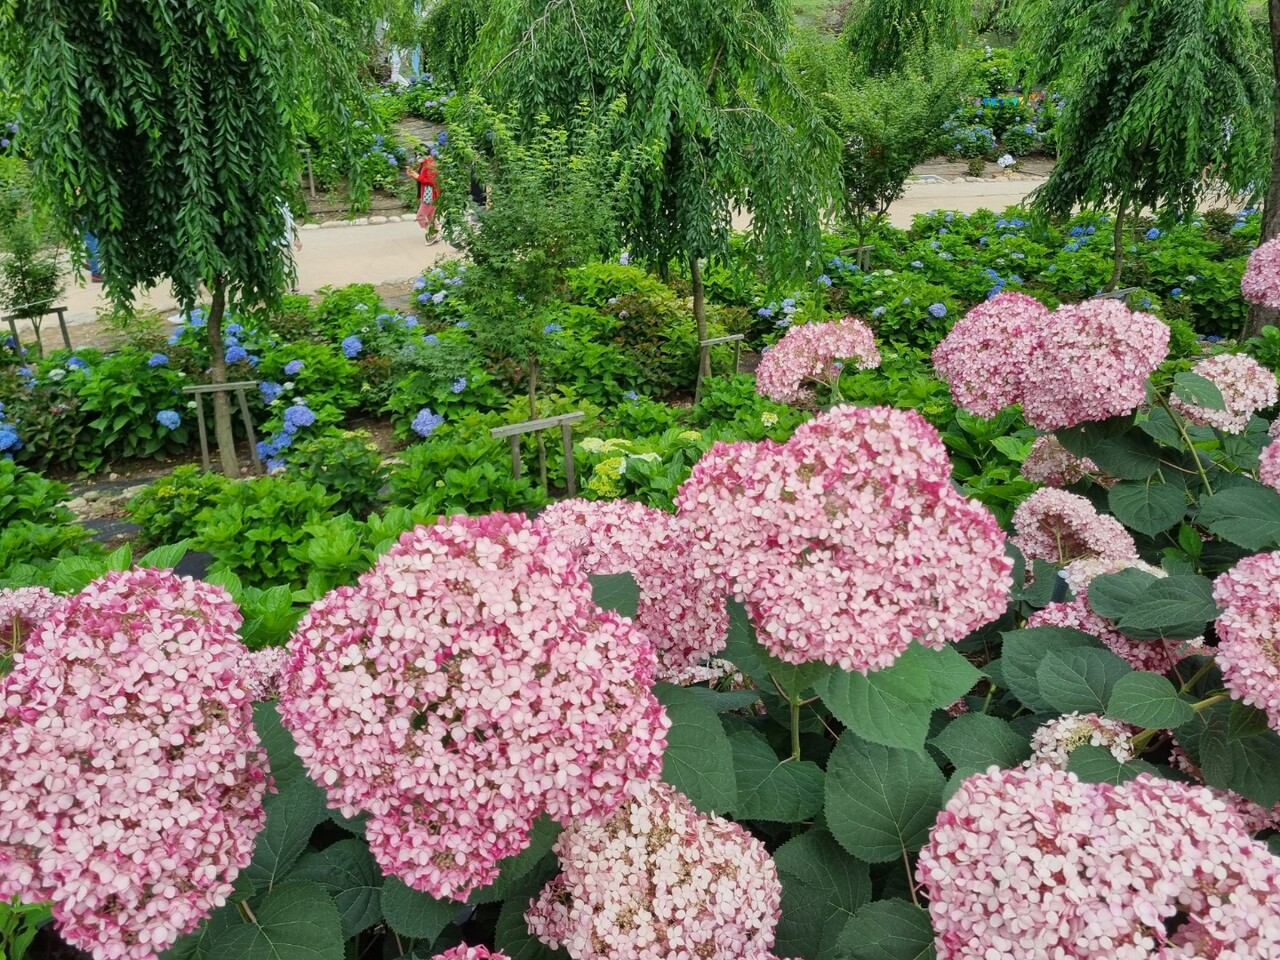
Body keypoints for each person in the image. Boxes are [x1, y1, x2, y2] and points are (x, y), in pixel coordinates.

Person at [407, 154, 440, 245]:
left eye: (418, 154)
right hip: (427, 195)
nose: (417, 157)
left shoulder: (430, 164)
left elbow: (431, 181)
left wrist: (417, 176)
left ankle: (433, 234)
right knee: (430, 216)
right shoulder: (423, 163)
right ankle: (435, 233)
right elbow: (422, 180)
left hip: (431, 196)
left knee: (420, 216)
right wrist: (413, 175)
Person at [279, 199, 302, 292]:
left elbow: (289, 221)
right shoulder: (274, 201)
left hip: (284, 240)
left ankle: (291, 285)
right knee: (283, 263)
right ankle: (288, 287)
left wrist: (295, 238)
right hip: (277, 240)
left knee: (287, 262)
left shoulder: (283, 201)